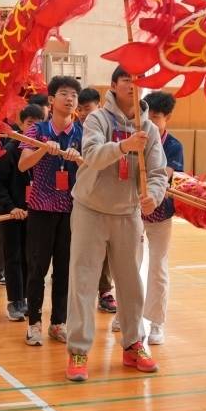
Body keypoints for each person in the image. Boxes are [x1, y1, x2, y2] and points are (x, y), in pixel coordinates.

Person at [64, 67, 168, 382]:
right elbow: (92, 155)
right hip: (90, 210)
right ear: (113, 85)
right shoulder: (98, 120)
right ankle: (79, 350)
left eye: (138, 81)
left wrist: (153, 195)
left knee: (131, 284)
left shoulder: (148, 129)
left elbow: (159, 173)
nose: (133, 86)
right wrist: (123, 147)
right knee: (83, 281)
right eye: (127, 80)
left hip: (128, 214)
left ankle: (134, 344)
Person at [19, 76, 83, 346]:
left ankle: (59, 322)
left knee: (65, 269)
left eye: (74, 96)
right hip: (41, 208)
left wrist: (78, 160)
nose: (70, 99)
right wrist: (45, 152)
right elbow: (23, 165)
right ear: (51, 100)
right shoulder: (38, 131)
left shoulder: (82, 132)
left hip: (72, 210)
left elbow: (93, 168)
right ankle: (33, 322)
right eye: (64, 94)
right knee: (38, 268)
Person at [0, 103, 45, 320]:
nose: (33, 128)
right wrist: (11, 207)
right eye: (30, 123)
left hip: (37, 214)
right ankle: (15, 301)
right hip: (12, 214)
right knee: (12, 256)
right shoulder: (9, 150)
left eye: (38, 124)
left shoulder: (45, 151)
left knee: (31, 258)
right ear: (21, 124)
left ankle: (29, 298)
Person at [139, 91, 184, 345]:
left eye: (156, 117)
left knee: (158, 267)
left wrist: (149, 195)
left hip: (161, 213)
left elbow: (163, 176)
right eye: (148, 116)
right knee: (128, 265)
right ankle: (126, 317)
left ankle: (156, 323)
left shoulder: (174, 146)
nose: (151, 122)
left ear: (167, 118)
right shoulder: (136, 137)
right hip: (132, 211)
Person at [77, 86, 117, 314]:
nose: (82, 113)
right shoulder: (74, 131)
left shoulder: (106, 131)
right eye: (80, 109)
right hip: (75, 198)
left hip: (101, 198)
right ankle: (79, 294)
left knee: (104, 250)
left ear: (98, 106)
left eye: (87, 108)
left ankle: (105, 291)